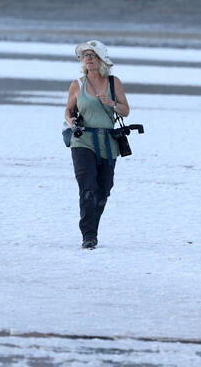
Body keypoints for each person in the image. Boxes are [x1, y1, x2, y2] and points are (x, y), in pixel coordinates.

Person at [64, 39, 130, 249]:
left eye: (92, 55)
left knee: (104, 189)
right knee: (88, 188)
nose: (88, 59)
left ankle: (92, 227)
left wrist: (111, 103)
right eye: (85, 56)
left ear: (101, 59)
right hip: (82, 141)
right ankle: (89, 236)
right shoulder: (78, 84)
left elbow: (125, 110)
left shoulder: (114, 83)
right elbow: (68, 111)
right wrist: (71, 121)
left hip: (108, 142)